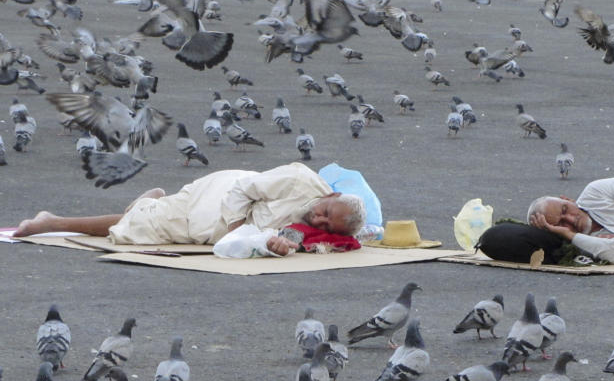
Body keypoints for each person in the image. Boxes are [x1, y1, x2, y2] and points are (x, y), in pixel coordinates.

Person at [13, 163, 366, 257]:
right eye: (323, 210)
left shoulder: (314, 230)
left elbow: (289, 235)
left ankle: (149, 202)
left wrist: (278, 245)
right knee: (134, 229)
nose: (317, 219)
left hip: (225, 220)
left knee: (142, 221)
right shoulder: (299, 178)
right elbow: (243, 190)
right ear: (329, 193)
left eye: (326, 224)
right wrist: (236, 230)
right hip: (219, 196)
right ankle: (49, 222)